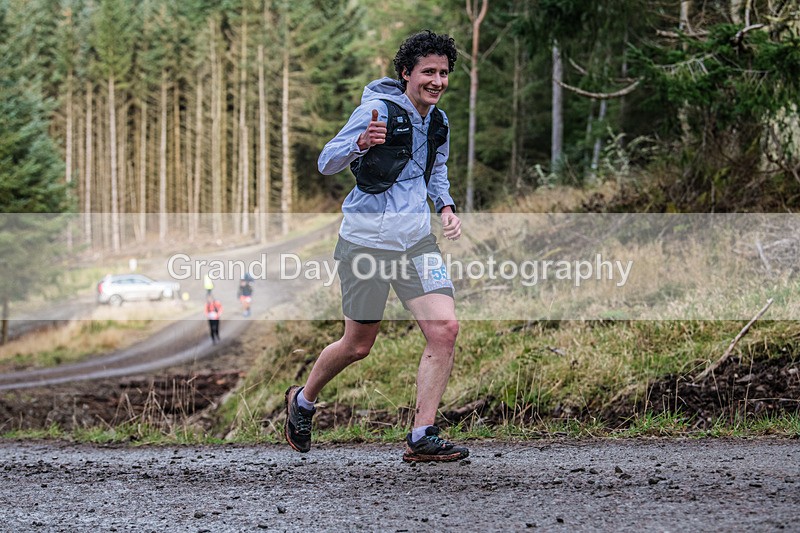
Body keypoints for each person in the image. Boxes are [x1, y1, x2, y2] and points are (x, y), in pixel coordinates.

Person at [284, 30, 468, 463]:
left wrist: (445, 206)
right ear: (406, 73)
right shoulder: (375, 110)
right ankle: (303, 401)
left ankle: (422, 434)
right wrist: (359, 144)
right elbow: (326, 161)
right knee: (358, 345)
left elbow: (435, 170)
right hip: (366, 242)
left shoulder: (439, 122)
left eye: (443, 73)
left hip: (416, 242)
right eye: (428, 72)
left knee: (445, 329)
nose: (437, 81)